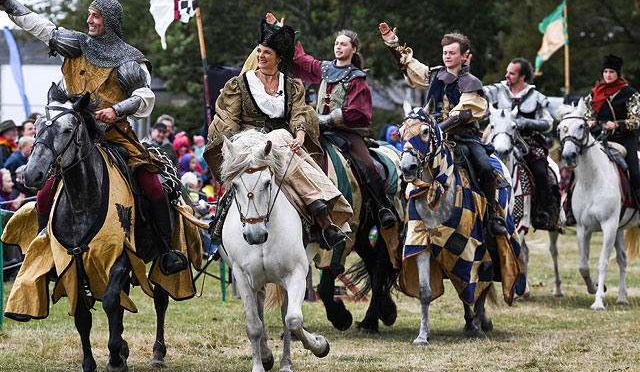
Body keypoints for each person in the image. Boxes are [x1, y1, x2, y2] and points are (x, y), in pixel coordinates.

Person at [0, 0, 187, 275]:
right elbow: (40, 26)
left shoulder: (127, 59)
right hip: (74, 137)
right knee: (44, 193)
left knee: (152, 184)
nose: (89, 20)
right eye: (89, 14)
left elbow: (145, 96)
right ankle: (44, 248)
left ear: (109, 22)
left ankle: (165, 250)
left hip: (114, 135)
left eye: (95, 16)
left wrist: (117, 109)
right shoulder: (76, 44)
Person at [204, 19, 352, 249]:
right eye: (259, 52)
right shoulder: (239, 84)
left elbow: (300, 112)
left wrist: (301, 133)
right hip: (247, 142)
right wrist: (227, 140)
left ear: (279, 58)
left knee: (281, 140)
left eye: (267, 53)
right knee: (280, 139)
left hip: (281, 144)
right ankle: (321, 210)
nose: (261, 57)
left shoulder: (291, 86)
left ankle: (314, 216)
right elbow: (227, 116)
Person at [379, 22, 507, 235]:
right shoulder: (435, 75)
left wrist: (437, 127)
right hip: (432, 139)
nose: (447, 56)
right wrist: (392, 44)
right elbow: (411, 67)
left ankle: (492, 217)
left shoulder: (471, 82)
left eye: (452, 52)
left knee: (485, 167)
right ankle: (405, 218)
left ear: (464, 56)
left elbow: (464, 112)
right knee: (408, 163)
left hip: (464, 139)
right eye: (445, 52)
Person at [272, 13, 397, 230]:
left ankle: (382, 207)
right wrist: (282, 33)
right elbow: (300, 59)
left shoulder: (357, 78)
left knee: (366, 164)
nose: (338, 47)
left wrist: (328, 118)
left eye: (344, 44)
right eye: (337, 43)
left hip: (347, 133)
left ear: (353, 50)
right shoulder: (324, 69)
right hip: (317, 130)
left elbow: (359, 112)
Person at [484, 58, 554, 229]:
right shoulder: (497, 91)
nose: (507, 75)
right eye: (507, 72)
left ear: (522, 76)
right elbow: (479, 91)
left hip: (528, 142)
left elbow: (548, 123)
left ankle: (541, 212)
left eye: (511, 73)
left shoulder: (536, 97)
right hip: (499, 139)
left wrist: (526, 123)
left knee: (541, 172)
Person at [584, 55, 640, 201]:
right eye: (606, 72)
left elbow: (637, 120)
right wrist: (590, 121)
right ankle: (569, 206)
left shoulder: (631, 94)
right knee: (578, 166)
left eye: (612, 72)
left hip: (624, 139)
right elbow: (588, 113)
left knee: (635, 173)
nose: (608, 75)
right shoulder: (594, 93)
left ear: (618, 74)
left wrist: (616, 124)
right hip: (599, 138)